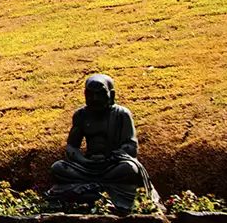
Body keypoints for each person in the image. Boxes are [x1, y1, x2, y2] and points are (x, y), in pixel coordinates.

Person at [47, 74, 159, 214]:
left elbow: (131, 146)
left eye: (100, 94)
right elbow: (72, 147)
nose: (95, 99)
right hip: (87, 167)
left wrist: (111, 158)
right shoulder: (81, 116)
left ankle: (91, 190)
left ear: (111, 95)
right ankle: (100, 189)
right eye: (90, 94)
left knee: (129, 168)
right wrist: (84, 161)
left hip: (111, 166)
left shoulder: (121, 114)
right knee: (58, 168)